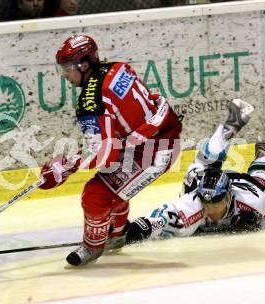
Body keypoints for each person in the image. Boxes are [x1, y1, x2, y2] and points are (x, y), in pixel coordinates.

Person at [38, 34, 183, 266]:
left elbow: (105, 155)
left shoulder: (90, 100)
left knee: (95, 194)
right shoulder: (116, 67)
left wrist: (65, 167)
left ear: (84, 64)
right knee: (112, 185)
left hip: (152, 153)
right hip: (161, 136)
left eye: (67, 68)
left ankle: (93, 246)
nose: (64, 75)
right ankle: (116, 234)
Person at [125, 99, 265, 245]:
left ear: (229, 197)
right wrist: (127, 233)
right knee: (209, 155)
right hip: (199, 177)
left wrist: (259, 222)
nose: (211, 211)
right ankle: (233, 122)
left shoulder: (252, 202)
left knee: (262, 181)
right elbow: (159, 219)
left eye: (216, 204)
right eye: (207, 204)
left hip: (245, 184)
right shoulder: (192, 204)